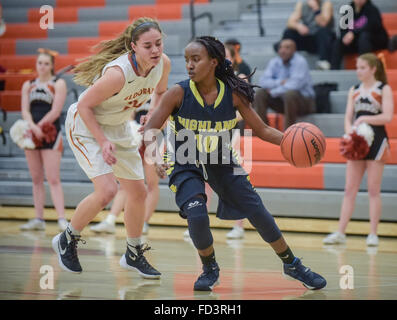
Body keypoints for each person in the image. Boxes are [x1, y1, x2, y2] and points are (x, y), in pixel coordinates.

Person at [142, 36, 326, 291]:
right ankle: (210, 268)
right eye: (186, 60)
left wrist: (291, 142)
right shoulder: (178, 92)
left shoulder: (234, 95)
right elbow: (151, 127)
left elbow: (261, 129)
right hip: (183, 160)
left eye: (196, 59)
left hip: (221, 158)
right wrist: (153, 159)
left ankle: (292, 264)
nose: (189, 65)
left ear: (214, 62)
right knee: (196, 214)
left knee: (257, 211)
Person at [52, 17, 171, 278]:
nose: (155, 50)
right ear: (133, 47)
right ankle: (67, 239)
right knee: (107, 190)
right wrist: (103, 141)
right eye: (148, 46)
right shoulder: (117, 74)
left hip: (117, 127)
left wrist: (152, 113)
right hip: (86, 126)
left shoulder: (163, 64)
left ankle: (133, 252)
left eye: (159, 44)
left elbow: (161, 93)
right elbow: (84, 106)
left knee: (138, 191)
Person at [323, 53, 394, 246]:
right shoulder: (353, 90)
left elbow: (387, 116)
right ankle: (340, 232)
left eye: (362, 67)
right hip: (357, 141)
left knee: (373, 189)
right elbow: (348, 117)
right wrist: (350, 134)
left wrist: (364, 119)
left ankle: (373, 233)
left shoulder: (383, 88)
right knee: (349, 189)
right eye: (357, 67)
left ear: (373, 69)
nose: (358, 71)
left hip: (377, 141)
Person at [90, 107, 160, 235]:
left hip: (154, 137)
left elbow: (164, 117)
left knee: (151, 183)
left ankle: (144, 222)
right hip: (135, 135)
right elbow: (129, 113)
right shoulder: (138, 89)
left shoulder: (161, 92)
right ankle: (110, 221)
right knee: (125, 183)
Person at [19, 48, 68, 232]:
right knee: (36, 179)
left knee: (53, 178)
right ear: (36, 64)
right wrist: (32, 127)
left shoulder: (58, 83)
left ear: (52, 66)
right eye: (40, 63)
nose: (42, 66)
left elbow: (56, 110)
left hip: (51, 134)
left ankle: (61, 219)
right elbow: (25, 110)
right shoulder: (28, 84)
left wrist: (40, 127)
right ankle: (39, 219)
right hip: (31, 134)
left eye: (46, 63)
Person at [253, 38, 315, 130]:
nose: (282, 50)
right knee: (260, 93)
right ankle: (263, 130)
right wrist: (279, 82)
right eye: (281, 47)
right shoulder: (274, 62)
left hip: (305, 102)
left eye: (287, 48)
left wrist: (274, 91)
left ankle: (288, 133)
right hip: (283, 101)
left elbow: (295, 85)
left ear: (294, 50)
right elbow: (263, 81)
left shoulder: (300, 62)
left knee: (290, 93)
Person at [331, 0, 389, 70]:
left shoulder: (372, 9)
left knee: (364, 37)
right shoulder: (348, 10)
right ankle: (334, 70)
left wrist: (354, 33)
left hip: (372, 42)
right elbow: (343, 28)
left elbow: (373, 27)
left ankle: (363, 68)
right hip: (355, 42)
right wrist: (345, 36)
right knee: (338, 42)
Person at [279, 0, 335, 70]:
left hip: (324, 42)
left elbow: (323, 24)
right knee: (288, 32)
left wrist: (316, 8)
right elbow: (290, 22)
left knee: (323, 31)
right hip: (308, 38)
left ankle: (323, 62)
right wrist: (299, 26)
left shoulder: (326, 4)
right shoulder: (302, 4)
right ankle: (286, 60)